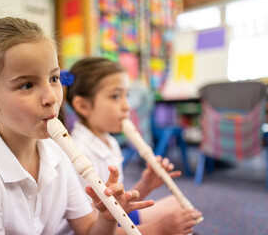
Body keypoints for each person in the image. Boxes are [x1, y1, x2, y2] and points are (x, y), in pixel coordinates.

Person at [0, 17, 154, 235]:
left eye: (54, 79)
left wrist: (106, 218)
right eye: (27, 85)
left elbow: (87, 230)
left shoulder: (57, 154)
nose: (51, 97)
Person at [61, 57, 202, 235]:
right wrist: (158, 230)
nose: (127, 106)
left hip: (111, 220)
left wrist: (146, 184)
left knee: (178, 207)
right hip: (98, 228)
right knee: (176, 225)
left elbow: (117, 205)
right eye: (115, 96)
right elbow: (98, 226)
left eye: (126, 96)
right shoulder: (79, 154)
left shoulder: (109, 141)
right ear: (83, 106)